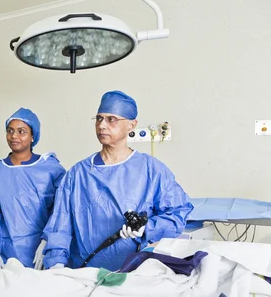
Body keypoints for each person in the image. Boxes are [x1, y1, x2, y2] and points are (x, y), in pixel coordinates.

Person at [43, 91, 193, 271]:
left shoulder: (152, 170)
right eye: (99, 119)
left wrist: (147, 228)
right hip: (85, 274)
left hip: (135, 274)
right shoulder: (78, 174)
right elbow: (60, 225)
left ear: (132, 125)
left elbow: (178, 213)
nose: (102, 125)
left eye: (111, 119)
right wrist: (56, 263)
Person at [0, 108, 66, 271]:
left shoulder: (51, 169)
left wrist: (49, 242)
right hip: (6, 255)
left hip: (43, 253)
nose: (14, 136)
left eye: (21, 131)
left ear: (33, 136)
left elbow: (62, 210)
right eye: (10, 131)